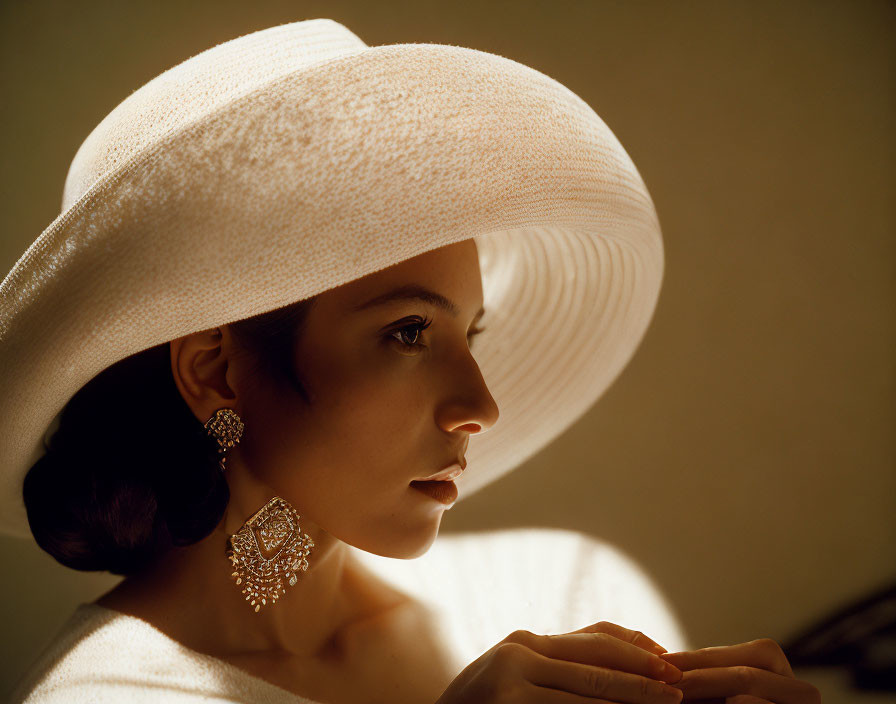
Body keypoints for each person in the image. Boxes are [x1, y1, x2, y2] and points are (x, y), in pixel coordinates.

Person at [1, 18, 820, 704]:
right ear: (214, 370)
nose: (481, 405)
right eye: (408, 333)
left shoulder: (569, 591)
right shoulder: (107, 695)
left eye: (474, 332)